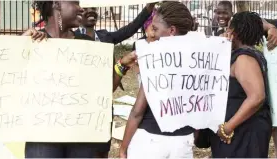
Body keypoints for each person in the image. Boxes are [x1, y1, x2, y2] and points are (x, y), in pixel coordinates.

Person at [22, 1, 136, 158]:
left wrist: (122, 66)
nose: (81, 8)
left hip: (81, 136)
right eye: (75, 2)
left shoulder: (87, 45)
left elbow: (104, 89)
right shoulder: (33, 42)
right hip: (42, 137)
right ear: (56, 4)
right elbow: (8, 85)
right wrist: (20, 46)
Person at [120, 2, 195, 158]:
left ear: (172, 31)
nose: (150, 33)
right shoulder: (198, 60)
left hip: (151, 141)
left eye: (155, 28)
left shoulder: (158, 62)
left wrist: (123, 148)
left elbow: (137, 111)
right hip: (183, 142)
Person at [210, 11, 272, 158]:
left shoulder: (244, 58)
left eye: (229, 28)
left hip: (244, 132)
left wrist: (228, 127)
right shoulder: (247, 54)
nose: (226, 31)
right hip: (243, 131)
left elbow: (257, 97)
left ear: (235, 32)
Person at [76, 4, 155, 44]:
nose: (91, 11)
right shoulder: (71, 38)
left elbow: (131, 28)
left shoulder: (106, 36)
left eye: (93, 8)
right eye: (84, 9)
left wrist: (150, 5)